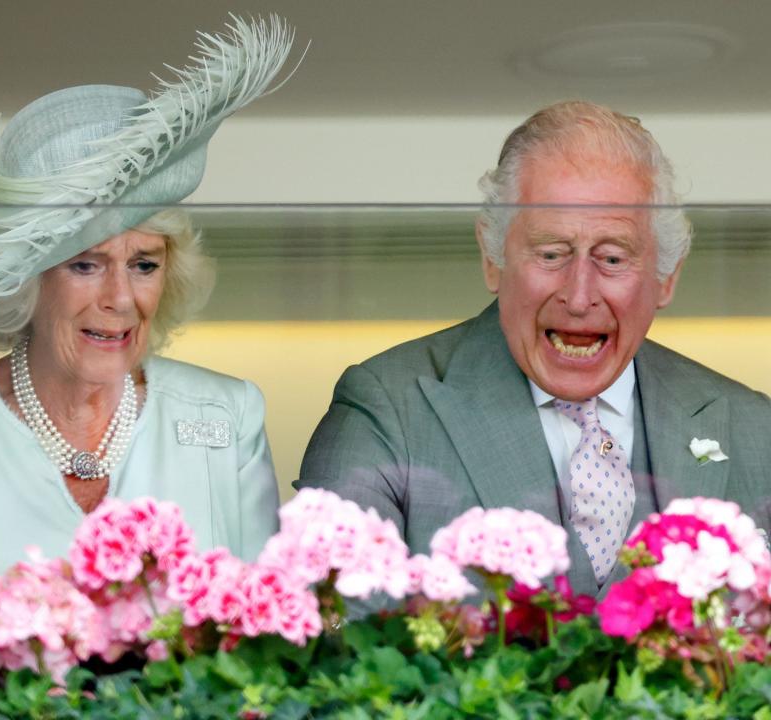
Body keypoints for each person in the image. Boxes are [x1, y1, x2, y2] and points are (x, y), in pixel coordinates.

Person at [0, 16, 298, 586]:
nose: (120, 299)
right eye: (86, 264)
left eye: (144, 265)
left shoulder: (226, 413)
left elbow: (273, 627)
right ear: (27, 282)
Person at [298, 101, 771, 597]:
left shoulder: (754, 428)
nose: (579, 295)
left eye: (612, 258)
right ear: (493, 257)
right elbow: (332, 644)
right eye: (550, 253)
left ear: (666, 277)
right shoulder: (387, 409)